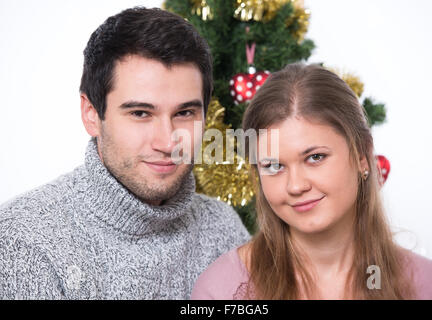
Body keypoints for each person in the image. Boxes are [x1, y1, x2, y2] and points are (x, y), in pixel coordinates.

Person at [0, 7, 250, 299]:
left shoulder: (222, 227)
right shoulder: (26, 241)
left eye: (184, 113)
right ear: (91, 114)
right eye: (141, 113)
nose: (168, 142)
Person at [191, 63, 432, 300]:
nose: (295, 186)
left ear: (362, 154)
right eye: (273, 166)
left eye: (315, 157)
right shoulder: (222, 289)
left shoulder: (429, 287)